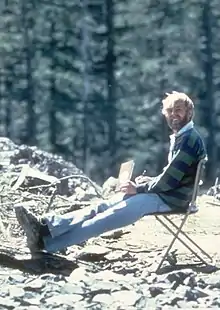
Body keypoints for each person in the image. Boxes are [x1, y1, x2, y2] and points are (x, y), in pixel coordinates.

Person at [15, 91, 207, 254]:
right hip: (167, 194)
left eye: (178, 110)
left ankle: (45, 243)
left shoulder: (189, 139)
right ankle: (46, 227)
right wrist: (148, 181)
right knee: (102, 207)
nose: (173, 114)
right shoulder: (183, 136)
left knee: (108, 217)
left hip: (172, 199)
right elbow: (171, 174)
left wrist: (139, 188)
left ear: (189, 113)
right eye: (170, 111)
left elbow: (170, 180)